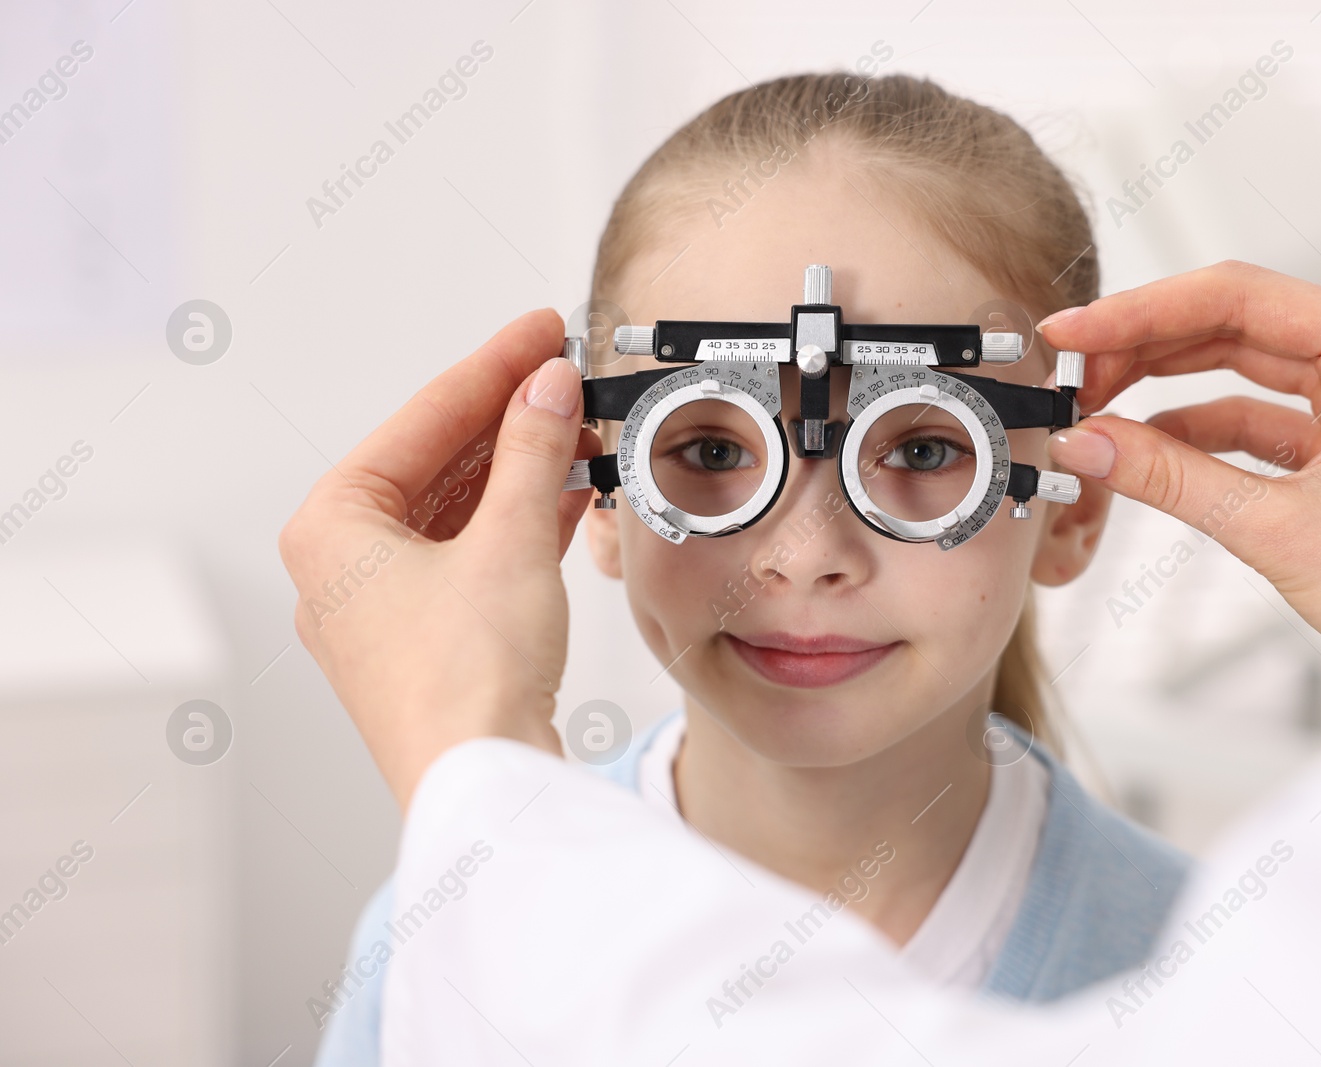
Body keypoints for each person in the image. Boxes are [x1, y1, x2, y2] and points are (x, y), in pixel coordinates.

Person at [309, 72, 1193, 1061]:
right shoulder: (446, 928)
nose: (806, 556)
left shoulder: (1209, 976)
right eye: (715, 451)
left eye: (926, 448)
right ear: (596, 484)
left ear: (1075, 509)